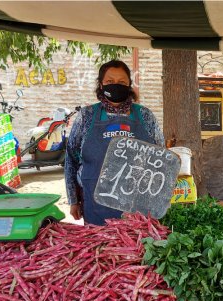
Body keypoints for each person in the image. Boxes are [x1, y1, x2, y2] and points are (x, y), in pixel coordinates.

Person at [65, 60, 164, 225]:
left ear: (129, 85)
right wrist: (73, 200)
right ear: (101, 84)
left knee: (137, 247)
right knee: (99, 249)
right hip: (95, 204)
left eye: (122, 82)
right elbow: (71, 159)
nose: (116, 85)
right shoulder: (86, 116)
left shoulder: (145, 116)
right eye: (110, 82)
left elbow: (161, 158)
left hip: (138, 206)